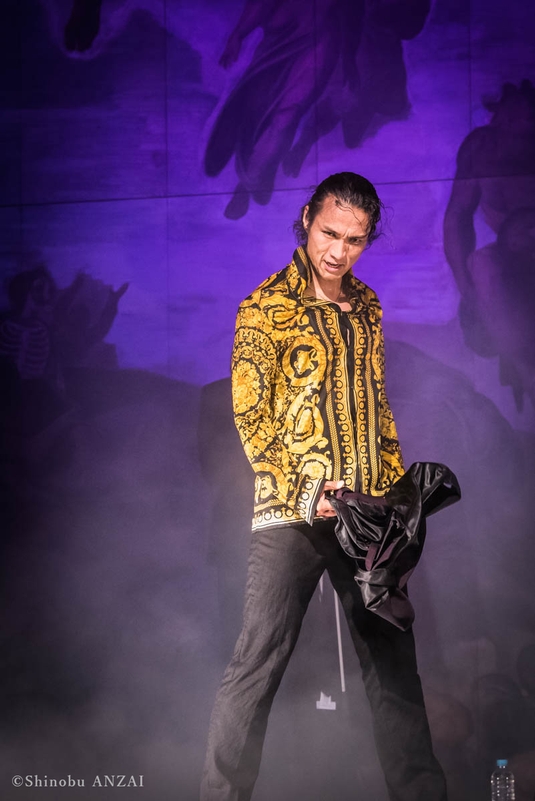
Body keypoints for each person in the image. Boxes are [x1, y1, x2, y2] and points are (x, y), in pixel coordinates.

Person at [200, 172, 447, 801]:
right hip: (291, 514)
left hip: (366, 517)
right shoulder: (263, 307)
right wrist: (304, 488)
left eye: (355, 240)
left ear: (368, 239)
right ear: (308, 217)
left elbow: (378, 411)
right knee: (257, 662)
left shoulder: (367, 306)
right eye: (330, 233)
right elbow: (250, 416)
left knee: (395, 669)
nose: (339, 251)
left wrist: (397, 503)